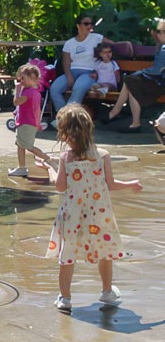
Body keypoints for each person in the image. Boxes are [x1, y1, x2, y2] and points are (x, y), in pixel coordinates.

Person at [42, 104, 142, 313]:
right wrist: (130, 183)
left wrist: (49, 169)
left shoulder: (65, 157)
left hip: (72, 215)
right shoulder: (102, 155)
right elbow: (111, 184)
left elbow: (60, 187)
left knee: (67, 255)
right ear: (89, 129)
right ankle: (107, 291)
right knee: (105, 252)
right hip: (99, 215)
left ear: (63, 133)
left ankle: (65, 298)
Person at [102, 17, 165, 133]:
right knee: (131, 83)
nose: (156, 34)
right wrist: (157, 41)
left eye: (159, 32)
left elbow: (157, 70)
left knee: (131, 82)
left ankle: (117, 113)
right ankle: (131, 121)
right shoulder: (162, 46)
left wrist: (141, 72)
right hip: (157, 80)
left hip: (160, 83)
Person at [47, 14, 107, 127]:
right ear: (78, 25)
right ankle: (65, 119)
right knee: (54, 88)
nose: (89, 26)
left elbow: (114, 46)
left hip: (89, 72)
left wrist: (128, 46)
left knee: (78, 88)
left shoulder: (97, 37)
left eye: (91, 24)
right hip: (73, 71)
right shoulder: (70, 43)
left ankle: (65, 121)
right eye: (86, 23)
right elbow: (66, 62)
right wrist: (69, 76)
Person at [8, 63, 51, 177]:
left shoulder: (27, 92)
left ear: (33, 79)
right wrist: (37, 123)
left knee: (28, 146)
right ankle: (21, 167)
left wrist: (17, 90)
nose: (20, 81)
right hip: (28, 122)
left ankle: (49, 160)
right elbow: (36, 109)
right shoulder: (35, 92)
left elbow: (16, 102)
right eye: (20, 78)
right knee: (21, 144)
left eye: (23, 78)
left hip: (25, 123)